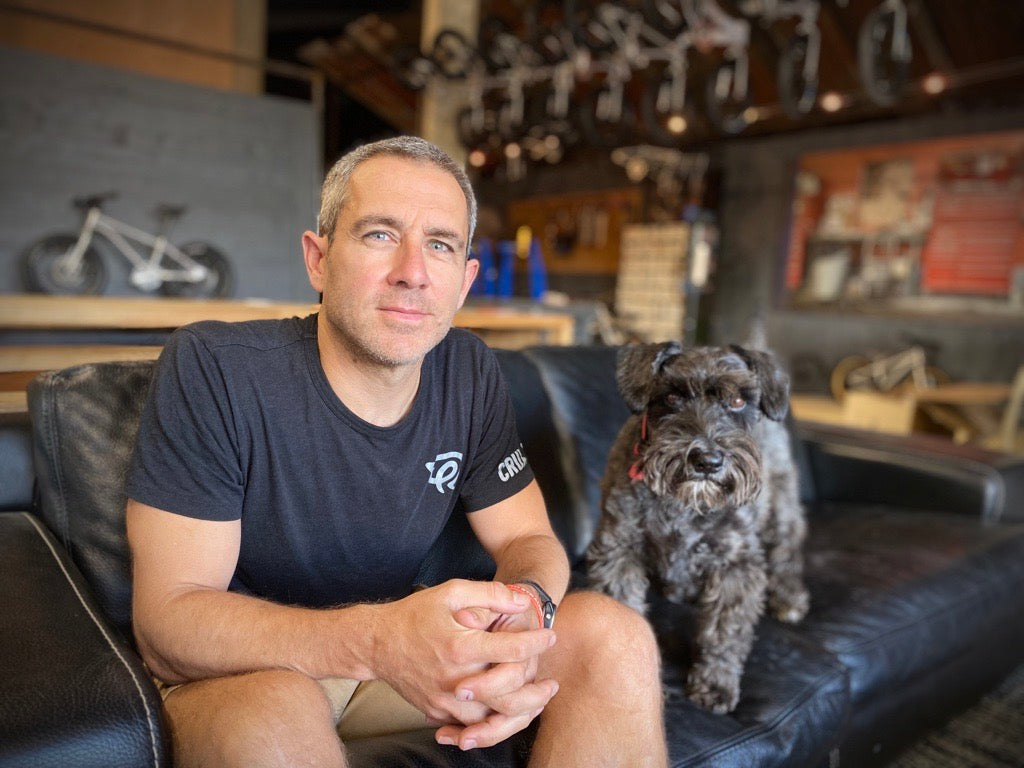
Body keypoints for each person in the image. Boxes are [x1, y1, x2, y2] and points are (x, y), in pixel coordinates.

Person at [125, 135, 668, 768]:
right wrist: (381, 641)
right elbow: (169, 626)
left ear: (464, 281)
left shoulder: (469, 370)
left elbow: (530, 541)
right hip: (255, 670)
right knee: (272, 713)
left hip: (410, 661)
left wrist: (524, 618)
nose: (413, 271)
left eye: (440, 245)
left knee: (614, 635)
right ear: (318, 259)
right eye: (380, 234)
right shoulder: (215, 368)